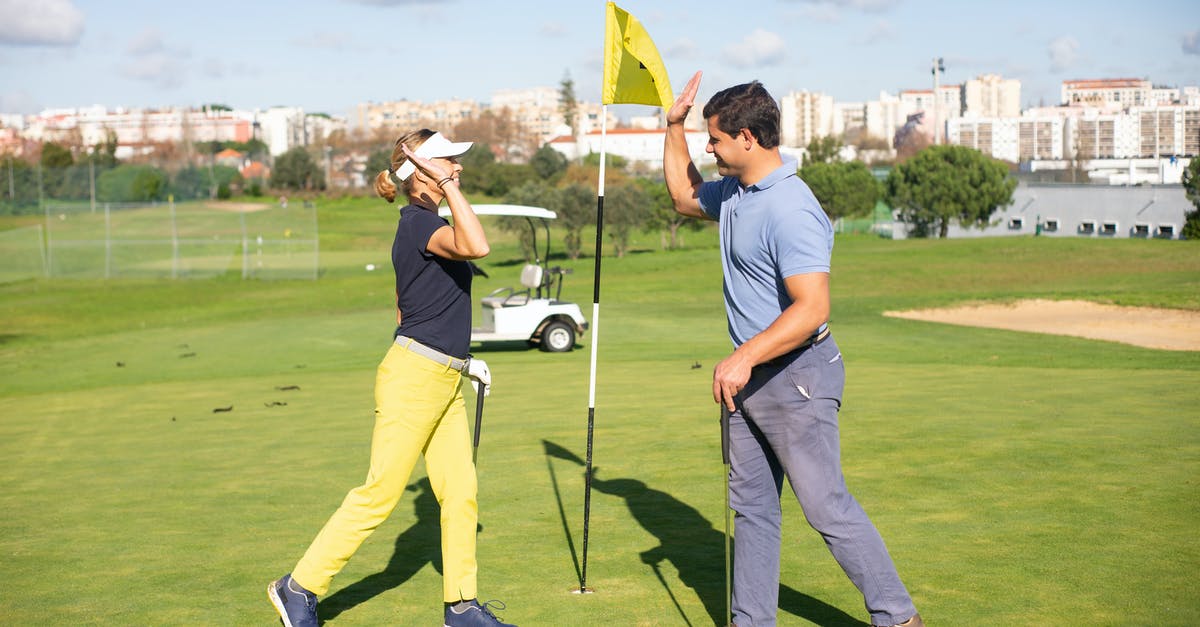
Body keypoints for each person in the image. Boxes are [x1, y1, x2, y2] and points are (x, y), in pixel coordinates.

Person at [663, 72, 923, 627]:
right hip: (750, 377)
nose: (708, 148)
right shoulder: (735, 191)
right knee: (752, 512)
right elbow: (685, 197)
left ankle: (898, 617)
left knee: (826, 508)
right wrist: (674, 127)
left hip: (796, 375)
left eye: (715, 138)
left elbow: (812, 309)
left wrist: (742, 357)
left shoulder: (792, 208)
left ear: (748, 138)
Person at [267, 129, 515, 627]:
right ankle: (298, 587)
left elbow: (408, 306)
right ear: (420, 171)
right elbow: (478, 245)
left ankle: (461, 605)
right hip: (415, 378)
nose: (458, 167)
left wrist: (463, 361)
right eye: (447, 160)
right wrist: (449, 187)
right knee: (379, 493)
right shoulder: (418, 224)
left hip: (443, 379)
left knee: (461, 491)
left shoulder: (428, 223)